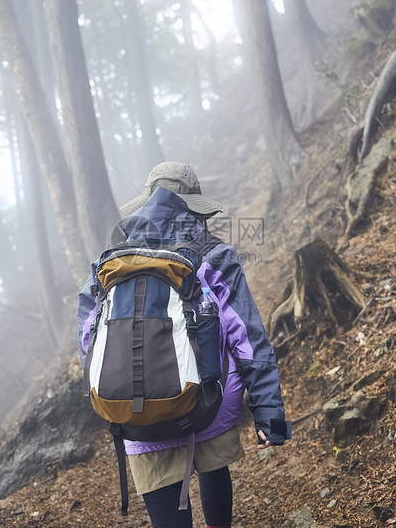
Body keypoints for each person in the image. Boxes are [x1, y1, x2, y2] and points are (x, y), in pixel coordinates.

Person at [77, 162, 290, 528]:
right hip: (210, 401)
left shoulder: (109, 262)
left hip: (136, 416)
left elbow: (88, 339)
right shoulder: (215, 253)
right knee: (213, 466)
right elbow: (247, 339)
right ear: (194, 206)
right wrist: (268, 412)